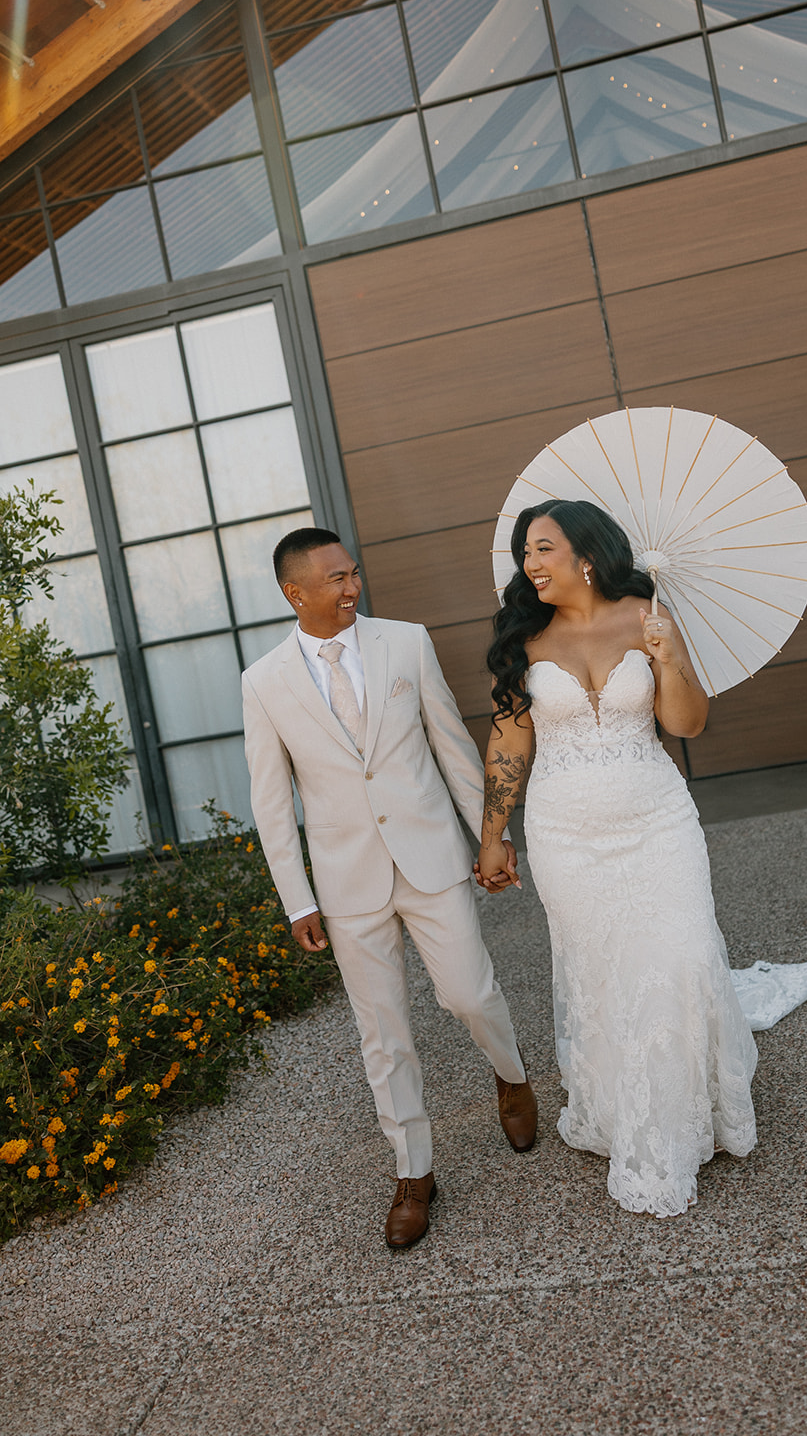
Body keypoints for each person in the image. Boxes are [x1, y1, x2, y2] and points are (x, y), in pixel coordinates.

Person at [242, 526, 537, 1250]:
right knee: (384, 1036)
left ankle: (511, 1075)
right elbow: (271, 801)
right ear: (296, 593)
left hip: (432, 857)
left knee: (469, 993)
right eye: (336, 580)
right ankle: (414, 1172)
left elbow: (450, 744)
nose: (352, 589)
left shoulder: (405, 642)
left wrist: (489, 836)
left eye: (354, 574)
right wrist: (297, 899)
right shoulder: (264, 681)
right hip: (346, 885)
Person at [478, 499, 757, 1218]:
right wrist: (491, 833)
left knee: (683, 954)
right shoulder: (524, 637)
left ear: (586, 555)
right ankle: (630, 1115)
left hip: (658, 821)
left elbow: (684, 723)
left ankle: (690, 1112)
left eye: (541, 548)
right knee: (604, 973)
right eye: (524, 553)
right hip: (567, 835)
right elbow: (509, 742)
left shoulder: (647, 615)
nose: (529, 564)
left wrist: (668, 660)